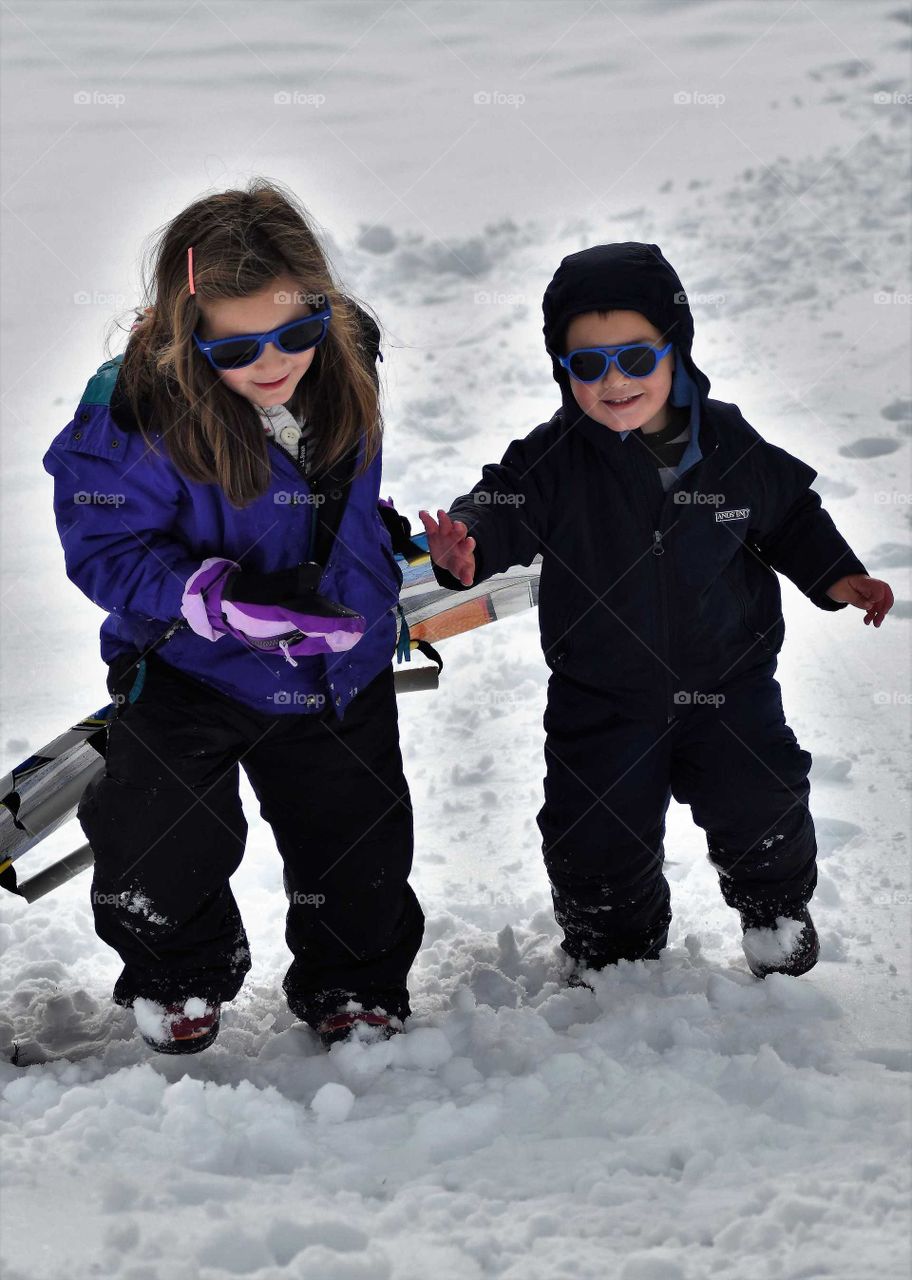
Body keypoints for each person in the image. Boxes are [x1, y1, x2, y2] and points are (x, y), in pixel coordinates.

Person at [419, 242, 893, 984]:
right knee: (592, 834)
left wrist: (839, 576)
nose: (615, 382)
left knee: (761, 800)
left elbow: (790, 515)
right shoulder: (554, 460)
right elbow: (500, 503)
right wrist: (467, 541)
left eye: (636, 359)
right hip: (602, 695)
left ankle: (775, 912)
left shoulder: (728, 444)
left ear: (678, 350)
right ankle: (611, 946)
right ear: (563, 370)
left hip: (727, 685)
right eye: (589, 365)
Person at [43, 179, 424, 1053]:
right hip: (190, 666)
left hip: (335, 660)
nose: (274, 362)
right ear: (187, 335)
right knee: (160, 827)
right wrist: (202, 597)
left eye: (296, 333)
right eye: (239, 346)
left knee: (355, 843)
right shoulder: (133, 416)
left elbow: (334, 498)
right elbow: (103, 544)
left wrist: (383, 547)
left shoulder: (346, 357)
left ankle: (354, 981)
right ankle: (178, 973)